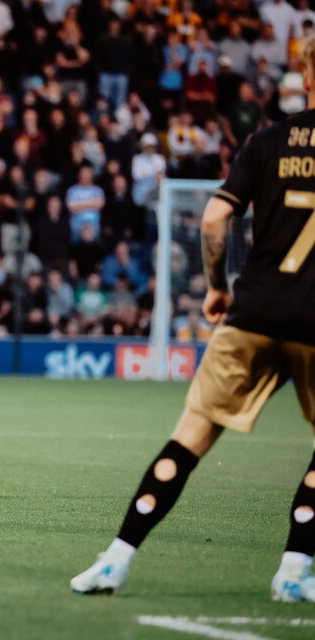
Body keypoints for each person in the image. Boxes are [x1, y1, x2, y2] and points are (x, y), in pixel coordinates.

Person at [70, 36, 315, 600]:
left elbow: (212, 222)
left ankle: (116, 559)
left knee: (190, 438)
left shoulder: (267, 140)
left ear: (304, 78)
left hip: (251, 311)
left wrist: (215, 287)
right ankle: (293, 572)